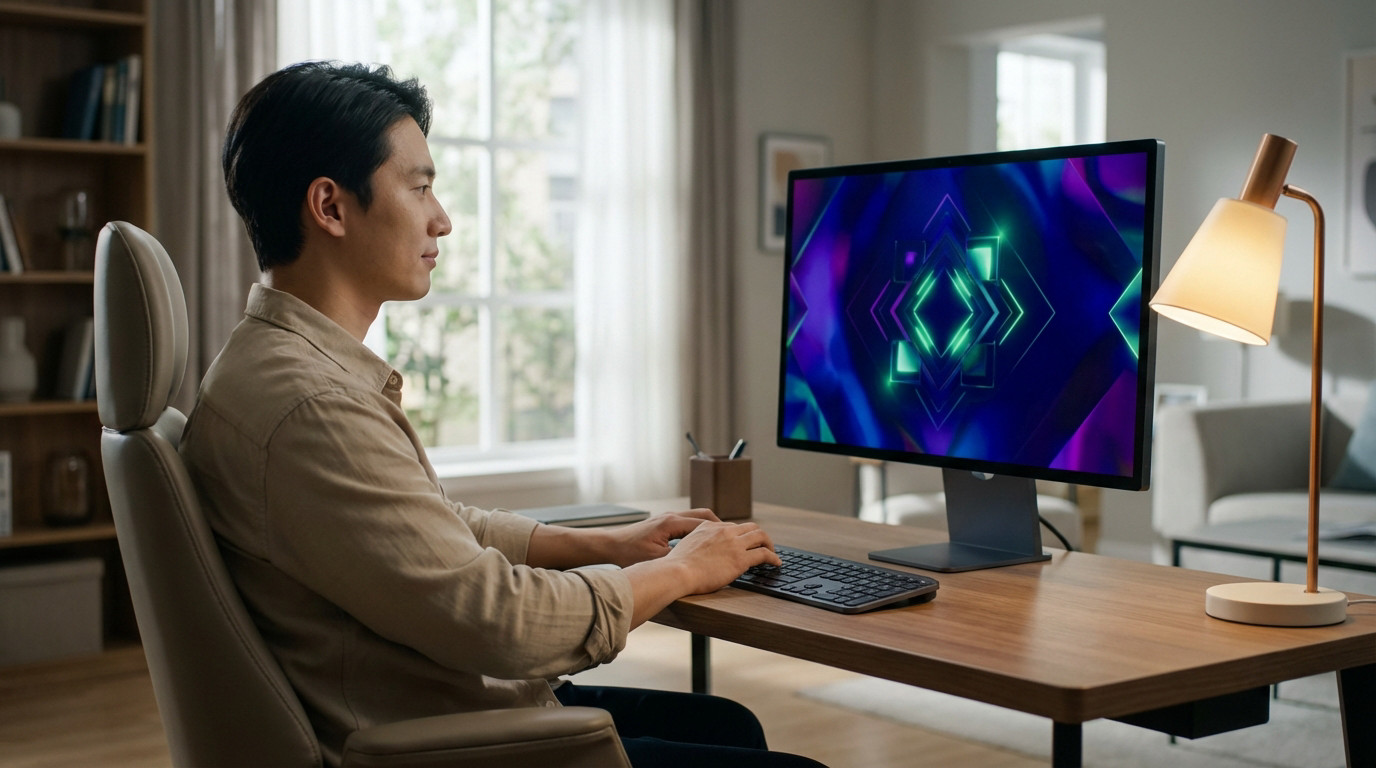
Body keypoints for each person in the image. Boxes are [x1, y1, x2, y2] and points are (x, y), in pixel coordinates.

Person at [181, 60, 827, 768]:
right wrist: (681, 572)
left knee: (728, 725)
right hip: (453, 741)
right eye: (419, 187)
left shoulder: (272, 368)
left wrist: (611, 543)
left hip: (439, 705)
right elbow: (503, 623)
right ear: (331, 207)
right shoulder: (313, 406)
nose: (442, 219)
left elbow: (430, 528)